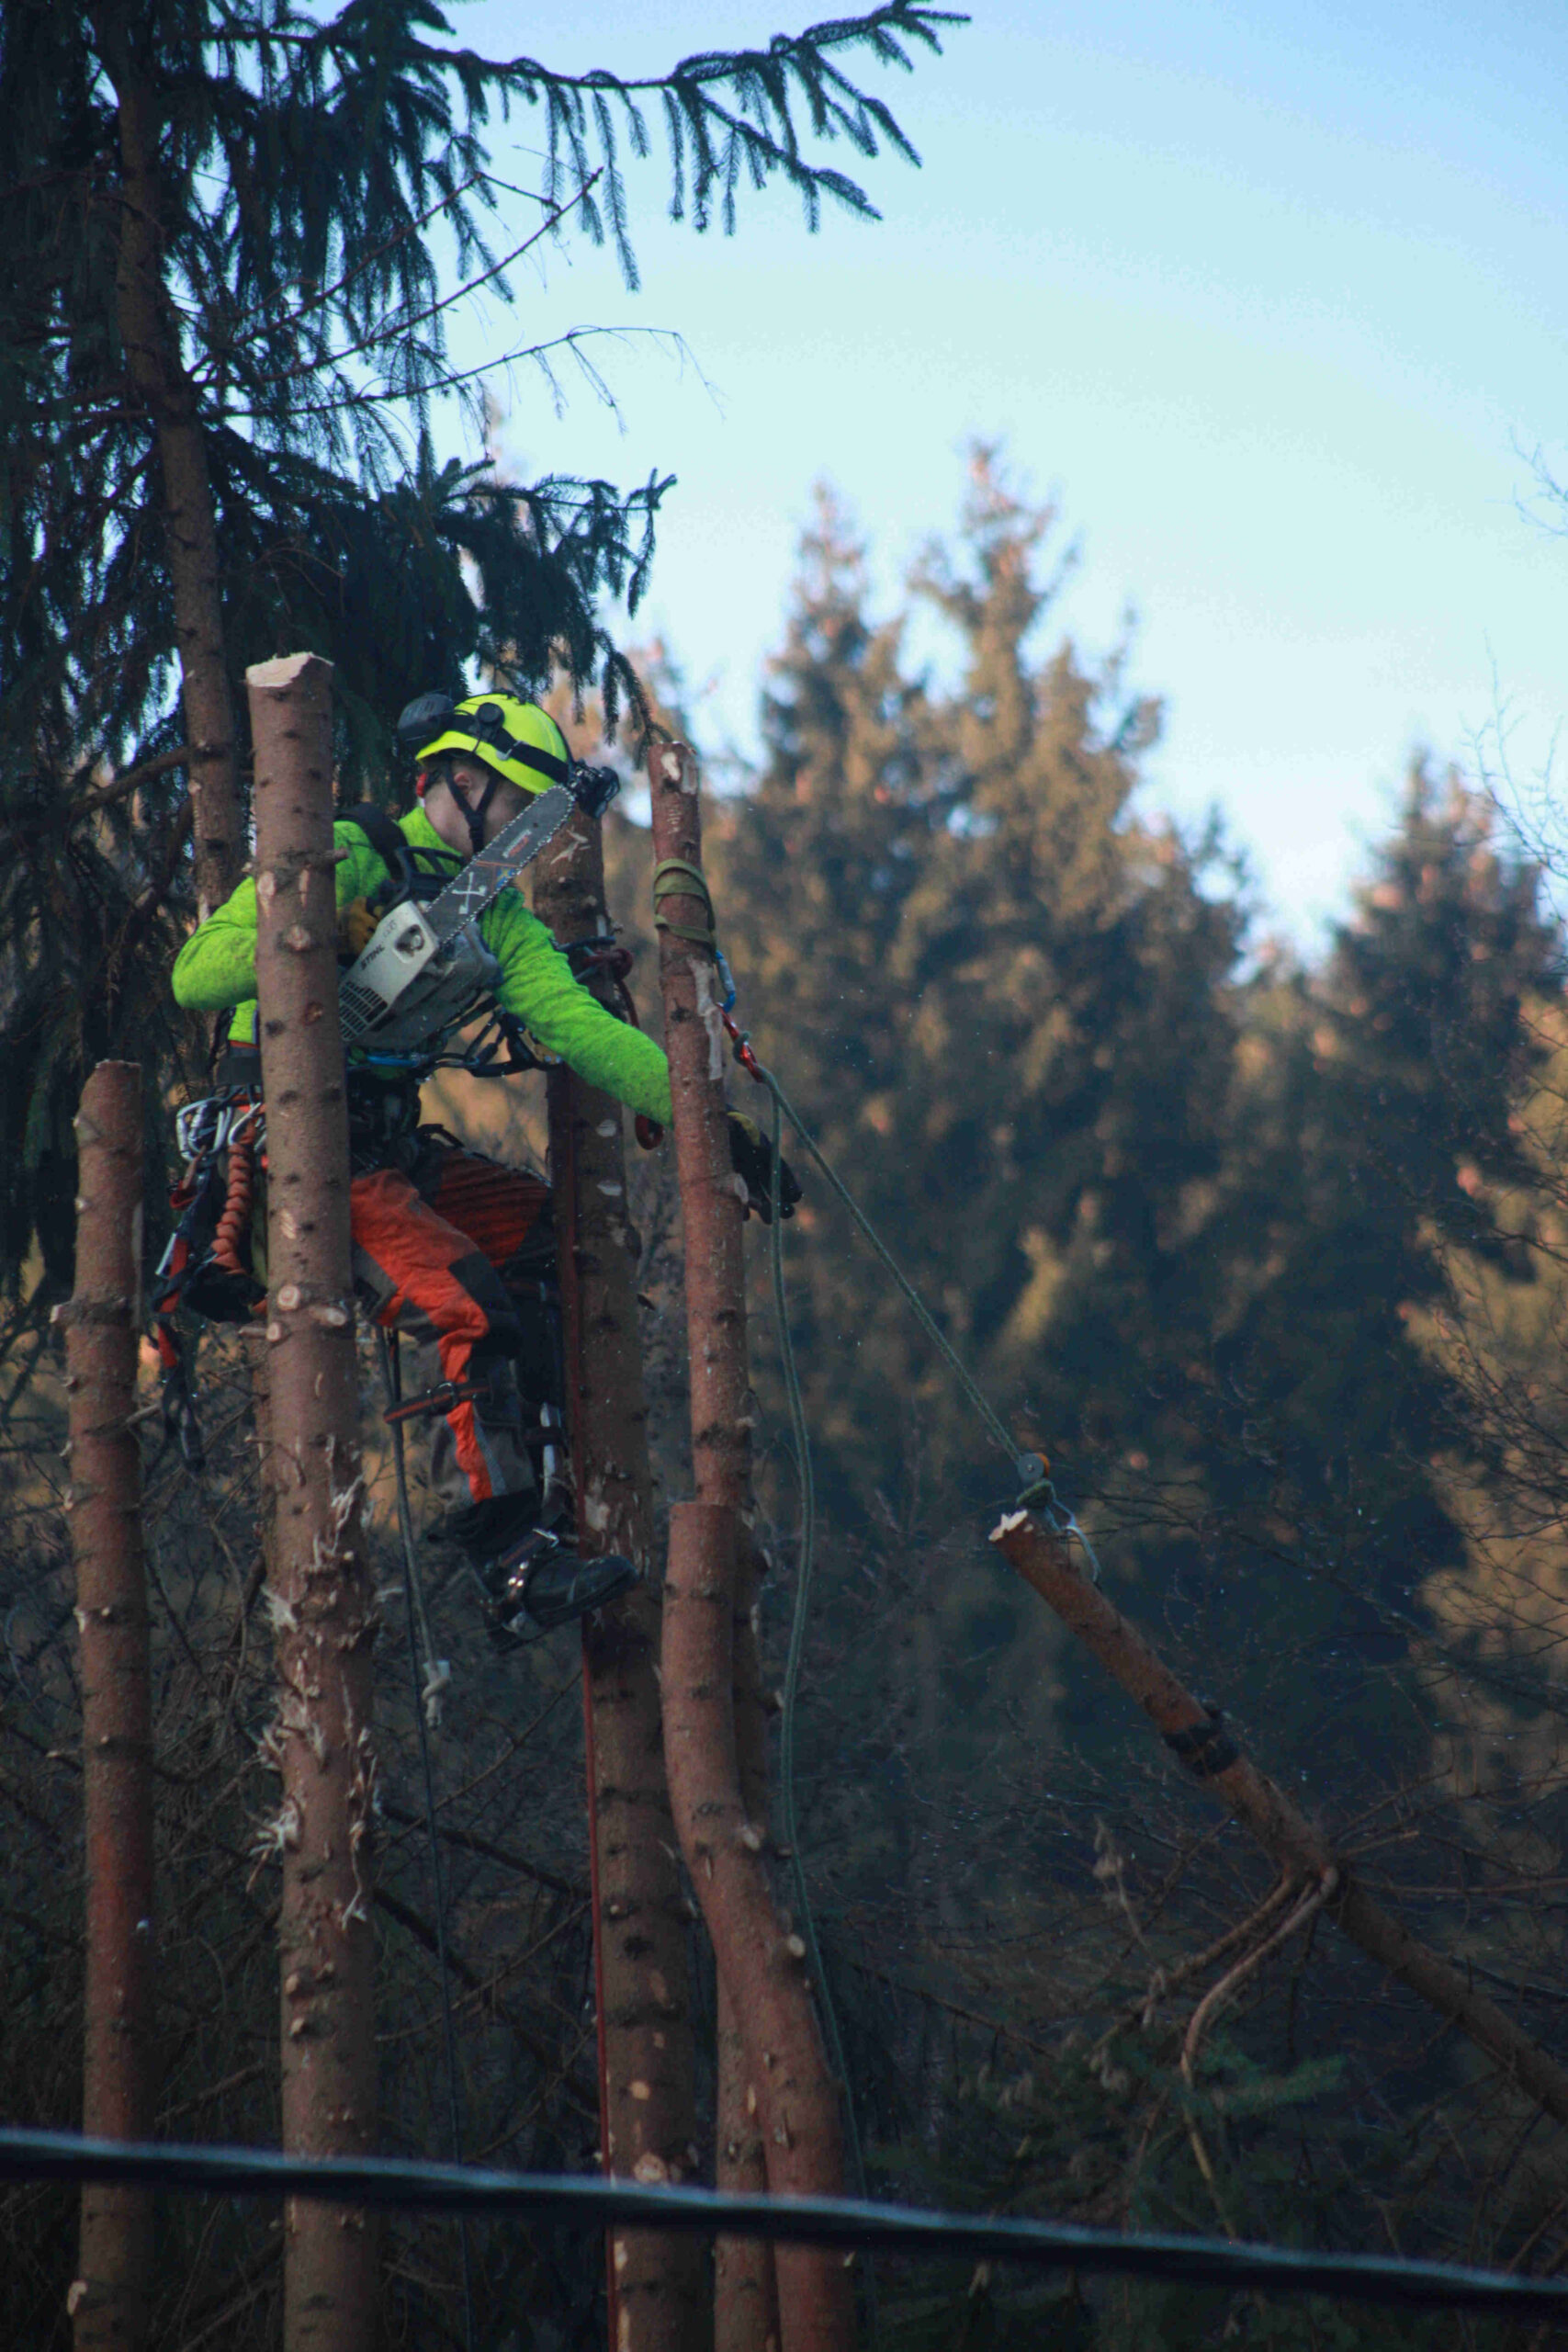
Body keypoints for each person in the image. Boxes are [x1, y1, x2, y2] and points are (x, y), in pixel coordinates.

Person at [170, 690, 795, 1639]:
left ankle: (547, 1501)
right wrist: (310, 925)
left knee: (545, 1237)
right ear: (463, 781)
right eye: (518, 813)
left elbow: (579, 1026)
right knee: (465, 1298)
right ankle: (506, 1562)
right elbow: (195, 977)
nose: (528, 843)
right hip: (296, 1158)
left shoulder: (494, 921)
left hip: (387, 1151)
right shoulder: (348, 851)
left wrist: (715, 1124)